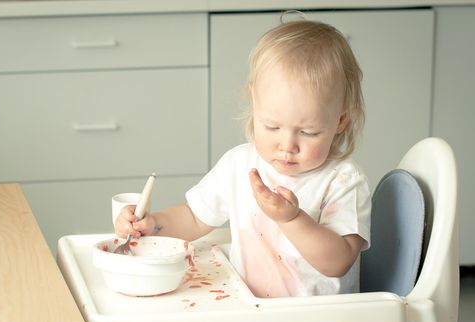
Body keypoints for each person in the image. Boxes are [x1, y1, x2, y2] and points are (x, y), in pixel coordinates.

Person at [115, 17, 371, 298]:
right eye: (272, 126)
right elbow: (194, 217)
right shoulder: (240, 164)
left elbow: (339, 261)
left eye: (309, 132)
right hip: (247, 312)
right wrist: (152, 224)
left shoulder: (343, 180)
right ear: (254, 104)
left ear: (341, 121)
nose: (287, 145)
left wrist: (292, 218)